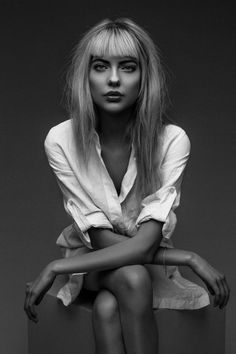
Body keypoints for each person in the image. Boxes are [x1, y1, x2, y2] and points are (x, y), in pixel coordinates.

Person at [24, 18, 230, 354]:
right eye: (101, 66)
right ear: (86, 76)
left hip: (142, 267)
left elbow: (146, 246)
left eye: (128, 67)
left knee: (109, 305)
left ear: (144, 77)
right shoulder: (60, 140)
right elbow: (100, 240)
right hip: (91, 263)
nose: (114, 79)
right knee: (133, 276)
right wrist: (190, 257)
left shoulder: (172, 141)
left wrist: (56, 265)